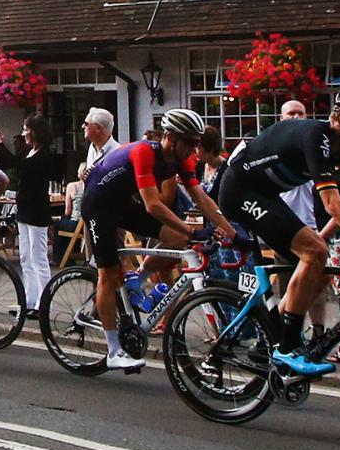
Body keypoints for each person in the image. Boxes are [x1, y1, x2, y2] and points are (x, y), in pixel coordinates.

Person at [213, 86, 340, 376]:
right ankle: (286, 348)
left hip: (266, 193)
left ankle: (274, 339)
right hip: (239, 191)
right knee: (316, 250)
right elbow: (333, 204)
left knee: (322, 268)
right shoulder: (316, 137)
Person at [77, 109, 238, 373]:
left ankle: (138, 278)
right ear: (171, 138)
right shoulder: (144, 152)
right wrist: (191, 230)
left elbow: (201, 198)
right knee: (107, 273)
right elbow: (152, 205)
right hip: (97, 205)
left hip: (122, 203)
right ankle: (114, 351)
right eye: (191, 143)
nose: (195, 151)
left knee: (178, 240)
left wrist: (233, 235)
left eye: (198, 143)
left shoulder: (182, 159)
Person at [9, 114, 63, 318]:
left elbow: (21, 167)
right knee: (25, 256)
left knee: (39, 256)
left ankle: (43, 302)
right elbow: (16, 164)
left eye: (26, 129)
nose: (23, 133)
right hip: (24, 209)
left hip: (37, 210)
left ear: (35, 131)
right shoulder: (30, 152)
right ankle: (29, 300)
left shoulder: (44, 155)